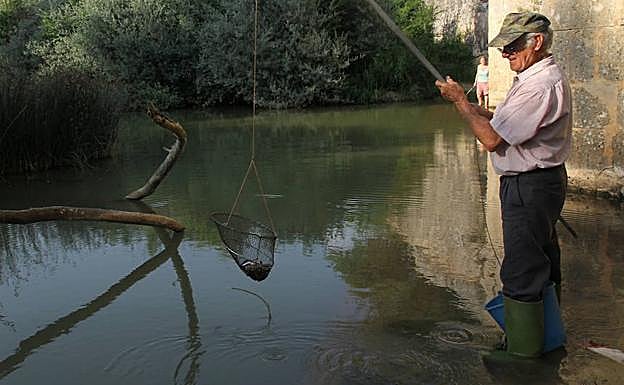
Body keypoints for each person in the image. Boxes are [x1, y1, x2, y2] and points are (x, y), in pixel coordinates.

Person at [435, 12, 572, 358]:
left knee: (522, 269)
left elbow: (493, 140)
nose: (505, 54)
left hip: (530, 186)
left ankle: (524, 358)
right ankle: (549, 340)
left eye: (512, 47)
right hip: (540, 184)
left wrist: (461, 103)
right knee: (542, 261)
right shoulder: (532, 77)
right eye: (503, 48)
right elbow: (503, 122)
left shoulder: (539, 84)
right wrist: (471, 109)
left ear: (536, 42)